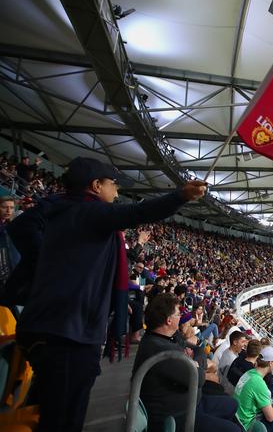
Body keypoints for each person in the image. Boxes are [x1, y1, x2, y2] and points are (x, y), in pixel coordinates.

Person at [13, 156, 207, 432]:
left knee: (45, 409)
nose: (117, 192)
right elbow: (137, 213)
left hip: (52, 327)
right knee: (63, 418)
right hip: (68, 333)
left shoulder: (63, 211)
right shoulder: (87, 212)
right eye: (113, 184)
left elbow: (21, 228)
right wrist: (181, 195)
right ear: (95, 186)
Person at [133, 293, 239, 432]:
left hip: (190, 402)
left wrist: (194, 361)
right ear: (169, 320)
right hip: (177, 416)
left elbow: (198, 349)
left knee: (232, 404)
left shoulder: (166, 336)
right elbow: (199, 378)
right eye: (178, 314)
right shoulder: (162, 350)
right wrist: (195, 362)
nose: (181, 318)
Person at [218, 330, 249, 394]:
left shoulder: (228, 351)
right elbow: (226, 382)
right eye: (242, 342)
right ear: (235, 342)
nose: (244, 345)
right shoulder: (232, 359)